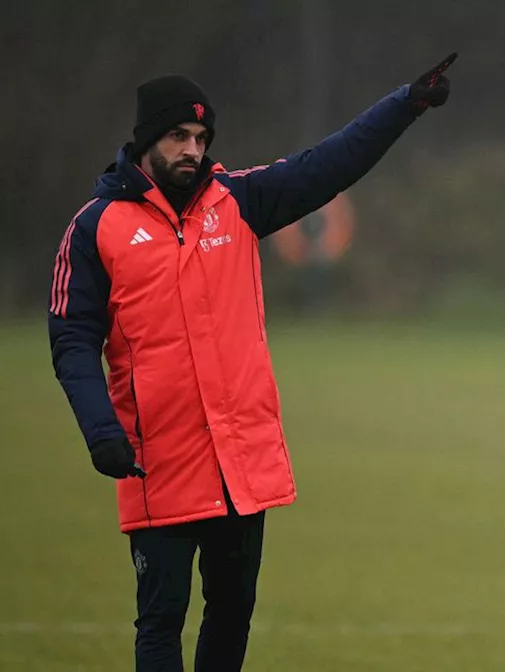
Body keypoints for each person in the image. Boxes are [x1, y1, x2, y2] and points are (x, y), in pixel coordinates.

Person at [47, 54, 457, 670]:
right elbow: (72, 340)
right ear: (145, 142)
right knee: (160, 619)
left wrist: (406, 104)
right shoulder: (97, 227)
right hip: (155, 461)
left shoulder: (236, 201)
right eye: (178, 137)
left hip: (240, 461)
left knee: (232, 611)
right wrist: (100, 429)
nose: (193, 149)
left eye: (201, 138)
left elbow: (329, 165)